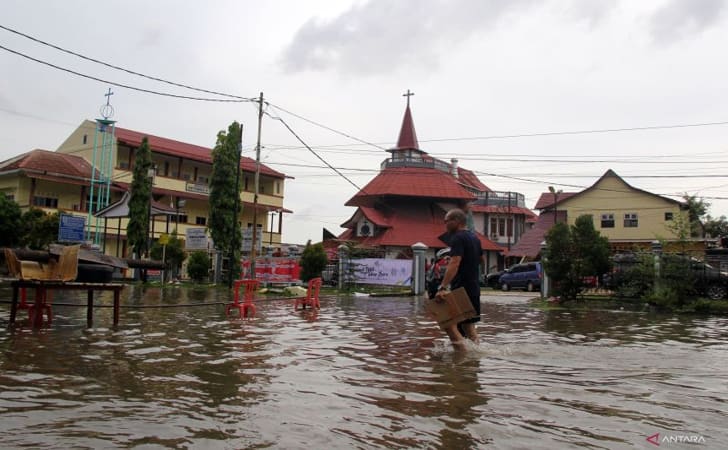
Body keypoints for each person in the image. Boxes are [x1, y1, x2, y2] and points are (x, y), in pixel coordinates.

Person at [435, 208, 484, 348]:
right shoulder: (474, 238)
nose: (445, 224)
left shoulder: (457, 237)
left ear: (456, 221)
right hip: (473, 287)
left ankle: (461, 357)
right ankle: (474, 358)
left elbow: (455, 262)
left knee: (448, 324)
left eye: (447, 221)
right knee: (469, 327)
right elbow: (481, 259)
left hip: (462, 288)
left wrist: (443, 287)